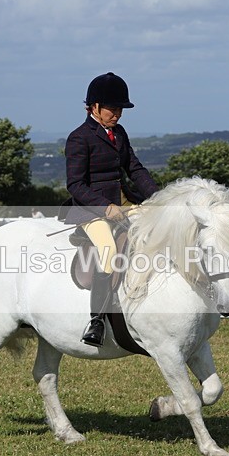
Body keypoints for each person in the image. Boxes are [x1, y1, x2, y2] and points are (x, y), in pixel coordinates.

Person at [64, 72, 159, 347]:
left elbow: (135, 169)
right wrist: (105, 208)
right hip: (91, 209)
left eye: (120, 110)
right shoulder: (79, 138)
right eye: (112, 109)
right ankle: (96, 321)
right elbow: (75, 184)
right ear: (94, 107)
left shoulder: (119, 133)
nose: (117, 114)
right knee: (107, 251)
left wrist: (158, 197)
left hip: (123, 202)